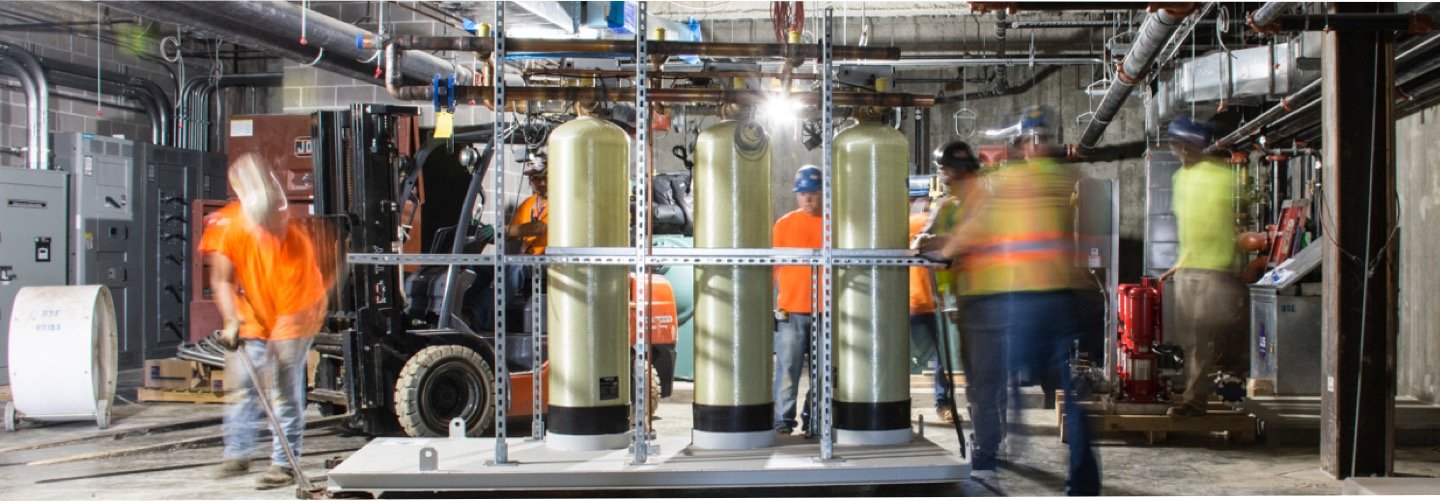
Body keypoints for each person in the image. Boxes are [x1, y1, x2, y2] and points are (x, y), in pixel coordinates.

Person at [943, 107, 1099, 494]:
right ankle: (1083, 480)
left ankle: (995, 456)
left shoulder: (1008, 183)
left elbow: (979, 230)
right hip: (1066, 298)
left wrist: (945, 249)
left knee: (998, 379)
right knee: (1067, 390)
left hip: (1025, 298)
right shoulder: (1069, 180)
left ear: (1024, 142)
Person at [203, 153, 328, 489]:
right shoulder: (234, 227)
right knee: (242, 384)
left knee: (284, 389)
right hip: (254, 315)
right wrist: (231, 318)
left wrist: (273, 359)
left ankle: (284, 464)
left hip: (297, 317)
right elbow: (223, 279)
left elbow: (290, 320)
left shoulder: (295, 248)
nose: (275, 229)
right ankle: (237, 453)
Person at [1159, 117, 1245, 418]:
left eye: (1175, 144)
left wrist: (1186, 261)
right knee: (1194, 341)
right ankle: (1197, 397)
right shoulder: (1180, 178)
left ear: (1188, 145)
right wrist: (1179, 264)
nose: (1173, 150)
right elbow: (1189, 228)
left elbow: (1209, 225)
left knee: (1209, 340)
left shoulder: (1220, 176)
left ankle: (1211, 399)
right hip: (1190, 271)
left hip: (1214, 272)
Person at [910, 140, 984, 424]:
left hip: (988, 297)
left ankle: (989, 437)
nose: (944, 178)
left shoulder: (985, 202)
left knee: (982, 370)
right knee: (968, 367)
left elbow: (973, 237)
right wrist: (929, 241)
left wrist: (941, 242)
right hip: (960, 297)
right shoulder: (946, 206)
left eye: (947, 172)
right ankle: (984, 438)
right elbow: (922, 243)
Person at [772, 165, 823, 436]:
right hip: (790, 311)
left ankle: (814, 420)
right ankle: (782, 421)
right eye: (803, 194)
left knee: (822, 373)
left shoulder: (832, 224)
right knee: (787, 370)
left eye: (813, 193)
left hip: (824, 311)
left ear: (822, 193)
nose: (808, 199)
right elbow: (773, 268)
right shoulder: (784, 225)